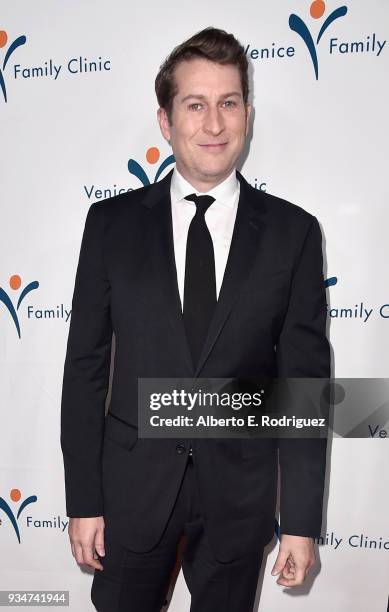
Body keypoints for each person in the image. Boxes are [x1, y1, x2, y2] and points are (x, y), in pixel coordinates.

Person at [60, 26, 331, 612]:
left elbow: (305, 390)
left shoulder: (294, 234)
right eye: (195, 105)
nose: (214, 124)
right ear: (165, 120)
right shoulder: (110, 225)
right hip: (130, 495)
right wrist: (83, 500)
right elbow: (83, 368)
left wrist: (302, 524)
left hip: (240, 499)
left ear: (248, 114)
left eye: (228, 103)